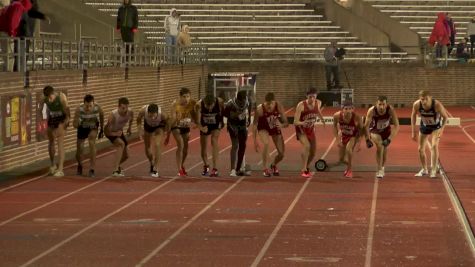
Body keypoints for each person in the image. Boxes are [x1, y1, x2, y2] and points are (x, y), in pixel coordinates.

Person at [411, 90, 449, 178]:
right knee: (420, 149)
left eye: (426, 99)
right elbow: (413, 115)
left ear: (430, 98)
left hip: (436, 126)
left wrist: (442, 130)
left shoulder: (437, 105)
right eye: (422, 99)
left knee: (434, 146)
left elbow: (445, 117)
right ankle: (424, 169)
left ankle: (434, 169)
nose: (423, 102)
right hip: (425, 125)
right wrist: (413, 131)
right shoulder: (417, 104)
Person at [252, 92, 289, 177]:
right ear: (265, 102)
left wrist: (282, 125)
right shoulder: (260, 109)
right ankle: (265, 169)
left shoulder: (278, 106)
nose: (269, 106)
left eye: (271, 103)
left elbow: (286, 122)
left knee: (281, 154)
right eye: (267, 104)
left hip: (274, 127)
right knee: (266, 143)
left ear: (274, 102)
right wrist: (255, 141)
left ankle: (273, 164)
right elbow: (254, 125)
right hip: (263, 128)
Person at [364, 96, 400, 179]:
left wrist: (389, 139)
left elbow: (397, 126)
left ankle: (382, 167)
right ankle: (379, 169)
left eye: (383, 104)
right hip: (375, 130)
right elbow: (365, 126)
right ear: (376, 104)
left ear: (386, 104)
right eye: (379, 104)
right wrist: (367, 139)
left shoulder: (390, 110)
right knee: (380, 146)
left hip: (386, 131)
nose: (381, 107)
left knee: (384, 150)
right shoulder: (372, 111)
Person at [293, 87, 325, 178]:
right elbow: (295, 121)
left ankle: (306, 165)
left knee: (313, 152)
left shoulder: (318, 102)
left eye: (313, 97)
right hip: (301, 129)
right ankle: (304, 169)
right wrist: (303, 122)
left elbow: (318, 111)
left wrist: (322, 119)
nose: (312, 99)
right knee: (306, 146)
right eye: (310, 97)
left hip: (310, 129)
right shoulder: (301, 105)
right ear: (306, 96)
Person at [165, 87, 196, 176]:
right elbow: (172, 120)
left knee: (185, 148)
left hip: (185, 126)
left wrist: (195, 122)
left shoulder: (192, 103)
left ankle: (181, 165)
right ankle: (179, 169)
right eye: (184, 97)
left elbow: (194, 116)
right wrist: (168, 136)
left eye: (188, 96)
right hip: (176, 126)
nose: (186, 99)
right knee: (180, 145)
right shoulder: (175, 105)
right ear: (180, 97)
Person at [73, 94, 104, 178]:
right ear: (84, 104)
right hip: (82, 127)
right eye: (87, 106)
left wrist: (101, 129)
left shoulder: (98, 107)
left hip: (92, 127)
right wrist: (77, 123)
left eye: (90, 106)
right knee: (80, 148)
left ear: (93, 104)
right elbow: (74, 125)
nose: (89, 108)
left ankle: (92, 169)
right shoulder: (79, 109)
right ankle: (80, 164)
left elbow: (101, 116)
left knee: (91, 143)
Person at [223, 90, 252, 177]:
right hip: (233, 125)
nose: (242, 103)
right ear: (238, 100)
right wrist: (234, 114)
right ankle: (232, 170)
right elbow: (224, 114)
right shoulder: (230, 103)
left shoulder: (248, 100)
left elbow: (249, 108)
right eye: (241, 102)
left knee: (243, 145)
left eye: (244, 101)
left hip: (242, 125)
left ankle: (238, 169)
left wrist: (249, 118)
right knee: (235, 145)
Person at [43, 85, 70, 177]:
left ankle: (61, 169)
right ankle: (53, 164)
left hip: (61, 120)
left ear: (53, 93)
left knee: (60, 143)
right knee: (51, 142)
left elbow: (67, 110)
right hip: (52, 120)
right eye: (48, 97)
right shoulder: (45, 99)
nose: (50, 99)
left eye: (51, 96)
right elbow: (39, 110)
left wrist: (66, 121)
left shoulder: (61, 97)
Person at [332, 101, 363, 178]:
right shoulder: (337, 116)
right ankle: (349, 163)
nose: (348, 111)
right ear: (342, 109)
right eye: (346, 109)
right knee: (341, 159)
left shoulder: (356, 117)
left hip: (353, 136)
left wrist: (359, 143)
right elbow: (334, 127)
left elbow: (362, 130)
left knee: (349, 150)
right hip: (343, 135)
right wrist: (337, 140)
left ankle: (349, 170)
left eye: (350, 109)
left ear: (353, 109)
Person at [195, 94, 224, 177]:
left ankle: (215, 168)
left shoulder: (220, 101)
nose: (210, 109)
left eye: (211, 106)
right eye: (207, 107)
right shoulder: (199, 105)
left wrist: (221, 124)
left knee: (214, 141)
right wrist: (201, 128)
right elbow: (197, 121)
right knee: (203, 145)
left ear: (214, 102)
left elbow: (222, 113)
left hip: (216, 124)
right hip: (205, 124)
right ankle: (206, 165)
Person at [137, 103, 168, 178]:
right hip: (148, 126)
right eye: (150, 116)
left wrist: (167, 133)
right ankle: (151, 162)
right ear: (148, 113)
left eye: (154, 115)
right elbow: (138, 119)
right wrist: (139, 130)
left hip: (159, 126)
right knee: (147, 147)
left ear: (157, 113)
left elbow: (168, 122)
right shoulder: (143, 111)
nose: (153, 118)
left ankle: (156, 169)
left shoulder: (163, 114)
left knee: (157, 145)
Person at [104, 97, 133, 177]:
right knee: (121, 144)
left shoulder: (130, 112)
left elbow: (131, 119)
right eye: (123, 108)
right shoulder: (113, 116)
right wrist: (115, 134)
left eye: (127, 107)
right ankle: (115, 170)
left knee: (126, 156)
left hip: (119, 131)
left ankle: (116, 165)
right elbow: (106, 131)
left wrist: (129, 128)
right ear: (119, 107)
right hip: (111, 132)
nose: (125, 110)